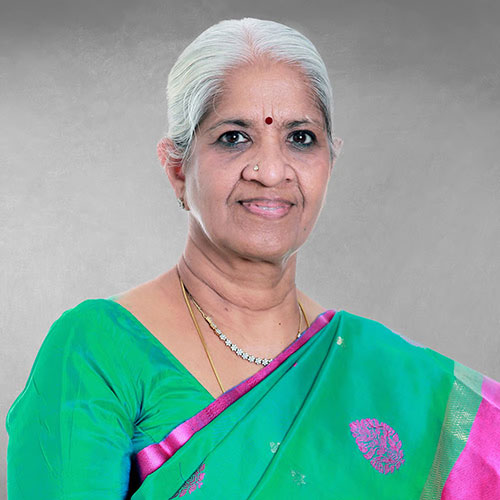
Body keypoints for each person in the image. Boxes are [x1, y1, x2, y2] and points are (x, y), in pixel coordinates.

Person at [5, 17, 500, 499]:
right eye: (234, 137)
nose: (270, 171)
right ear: (177, 168)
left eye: (300, 138)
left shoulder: (382, 373)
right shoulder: (97, 351)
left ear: (330, 162)